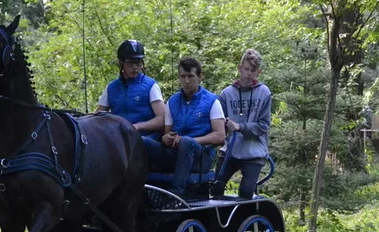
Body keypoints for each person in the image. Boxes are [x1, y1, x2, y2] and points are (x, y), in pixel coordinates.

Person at [143, 56, 226, 197]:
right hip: (176, 154)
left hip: (201, 158)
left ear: (200, 77)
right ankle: (141, 191)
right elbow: (166, 134)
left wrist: (190, 140)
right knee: (143, 142)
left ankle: (176, 194)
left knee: (186, 142)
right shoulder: (173, 101)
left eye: (191, 76)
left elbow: (220, 136)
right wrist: (165, 138)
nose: (186, 81)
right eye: (183, 76)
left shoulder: (212, 101)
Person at [212, 49, 273, 199]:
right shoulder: (226, 94)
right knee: (214, 187)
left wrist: (241, 127)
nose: (249, 73)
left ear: (258, 72)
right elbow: (219, 122)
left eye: (253, 70)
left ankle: (246, 219)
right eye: (246, 69)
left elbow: (263, 125)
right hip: (230, 151)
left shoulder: (264, 92)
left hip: (254, 153)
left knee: (246, 192)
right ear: (240, 68)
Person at [96, 39, 165, 138]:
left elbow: (162, 119)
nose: (135, 67)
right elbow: (98, 115)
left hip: (146, 139)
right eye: (130, 63)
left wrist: (138, 127)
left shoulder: (151, 86)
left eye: (138, 62)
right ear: (121, 63)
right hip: (119, 140)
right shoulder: (111, 88)